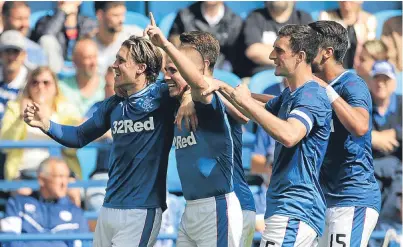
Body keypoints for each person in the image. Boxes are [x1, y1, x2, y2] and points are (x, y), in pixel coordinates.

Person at [23, 34, 194, 246]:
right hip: (109, 206)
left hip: (141, 210)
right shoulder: (112, 105)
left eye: (121, 61)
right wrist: (46, 124)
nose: (114, 65)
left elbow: (195, 82)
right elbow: (78, 136)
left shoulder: (162, 96)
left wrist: (186, 97)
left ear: (140, 68)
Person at [204, 24, 332, 246]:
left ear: (300, 56)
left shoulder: (310, 95)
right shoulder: (290, 96)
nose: (272, 56)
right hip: (287, 208)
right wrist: (219, 87)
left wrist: (242, 99)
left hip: (295, 209)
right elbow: (252, 107)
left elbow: (290, 134)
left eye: (279, 50)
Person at [146, 17, 244, 246]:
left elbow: (202, 86)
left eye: (176, 69)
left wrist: (165, 44)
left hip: (217, 207)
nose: (167, 76)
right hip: (191, 209)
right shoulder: (176, 99)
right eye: (167, 69)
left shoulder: (207, 101)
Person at [165, 30, 256, 247]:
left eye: (180, 66)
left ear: (204, 66)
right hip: (196, 206)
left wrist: (189, 96)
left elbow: (244, 115)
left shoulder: (216, 98)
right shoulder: (178, 99)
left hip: (232, 202)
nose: (168, 75)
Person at [308, 20, 381, 247]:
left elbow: (360, 126)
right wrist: (236, 95)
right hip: (325, 198)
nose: (303, 51)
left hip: (353, 197)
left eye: (310, 46)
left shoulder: (352, 84)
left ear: (327, 52)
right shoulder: (315, 87)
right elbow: (277, 105)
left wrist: (327, 92)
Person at [0, 66, 81, 180]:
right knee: (22, 191)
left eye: (46, 83)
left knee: (74, 192)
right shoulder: (14, 108)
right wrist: (21, 117)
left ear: (55, 87)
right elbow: (5, 146)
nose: (40, 87)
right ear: (28, 87)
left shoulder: (67, 110)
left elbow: (72, 148)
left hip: (60, 172)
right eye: (35, 83)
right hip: (24, 170)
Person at [0, 157, 89, 247]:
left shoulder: (75, 212)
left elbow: (83, 243)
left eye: (66, 177)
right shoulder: (17, 204)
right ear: (41, 179)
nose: (64, 183)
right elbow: (9, 240)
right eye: (59, 176)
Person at [234, 1, 312, 78]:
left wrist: (266, 49)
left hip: (296, 77)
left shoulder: (303, 18)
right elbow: (253, 51)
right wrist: (292, 54)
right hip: (261, 78)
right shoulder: (255, 17)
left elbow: (309, 54)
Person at [168, 1, 243, 71]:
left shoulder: (235, 22)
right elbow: (173, 46)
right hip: (189, 70)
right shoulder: (184, 16)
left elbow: (237, 58)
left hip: (223, 73)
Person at [31, 1, 97, 73]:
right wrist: (61, 13)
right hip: (56, 70)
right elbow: (46, 36)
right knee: (46, 39)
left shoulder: (89, 23)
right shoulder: (45, 21)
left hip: (83, 71)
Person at [319, 1, 377, 69]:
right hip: (334, 67)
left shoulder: (368, 19)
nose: (346, 2)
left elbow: (370, 48)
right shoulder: (326, 16)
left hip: (359, 68)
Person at [93, 1, 143, 76]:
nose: (122, 20)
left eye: (122, 14)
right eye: (115, 15)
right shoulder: (87, 46)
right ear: (100, 15)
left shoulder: (136, 36)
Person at [58, 38, 105, 117]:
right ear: (75, 61)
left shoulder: (106, 85)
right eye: (88, 58)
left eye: (95, 57)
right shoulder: (62, 87)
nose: (93, 62)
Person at [2, 1, 48, 69]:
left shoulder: (36, 51)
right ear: (4, 19)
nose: (24, 24)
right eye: (19, 18)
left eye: (26, 18)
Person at [0, 30, 29, 123]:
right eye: (8, 51)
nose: (11, 57)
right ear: (0, 55)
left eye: (16, 52)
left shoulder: (33, 82)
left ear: (24, 55)